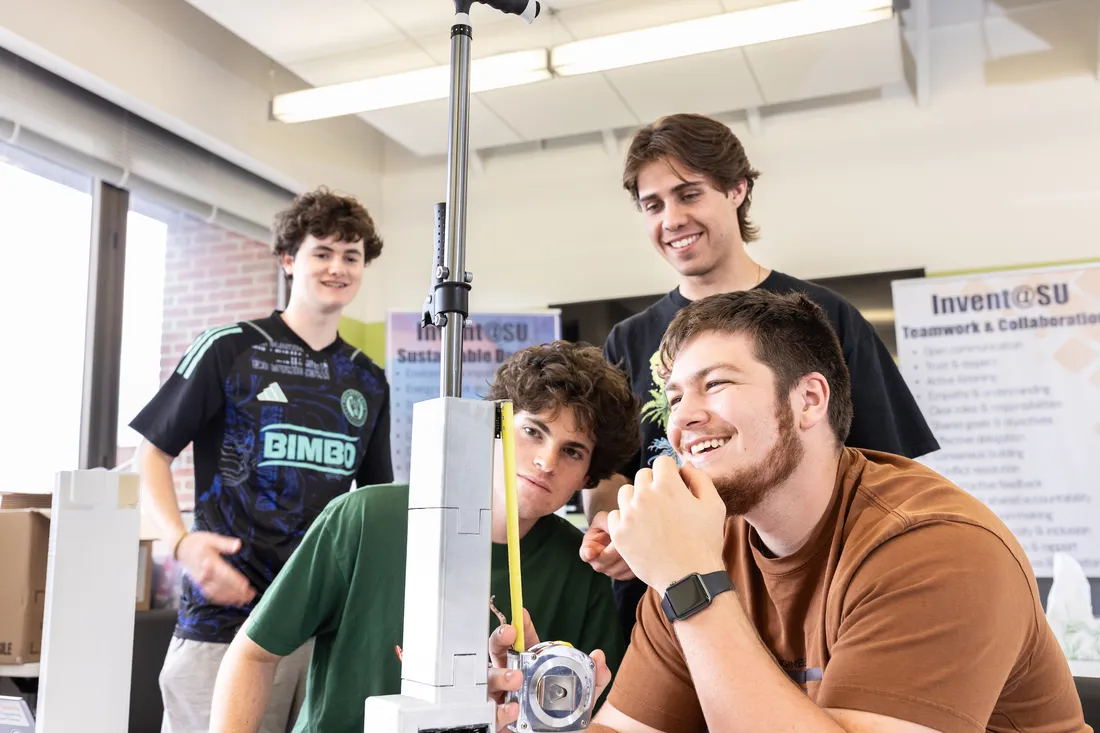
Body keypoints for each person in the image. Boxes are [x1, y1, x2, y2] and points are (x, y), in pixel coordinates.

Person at [576, 289, 1090, 733]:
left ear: (809, 400)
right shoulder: (700, 543)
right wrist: (544, 711)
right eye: (675, 396)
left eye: (716, 384)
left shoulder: (938, 544)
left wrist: (688, 580)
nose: (683, 417)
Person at [581, 112, 940, 637]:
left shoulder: (821, 317)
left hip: (805, 598)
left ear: (737, 190)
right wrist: (612, 528)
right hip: (667, 603)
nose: (672, 218)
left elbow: (889, 466)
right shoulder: (629, 340)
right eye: (652, 205)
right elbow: (611, 475)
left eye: (689, 194)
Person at [207, 341, 636, 733]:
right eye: (533, 431)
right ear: (496, 426)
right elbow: (254, 655)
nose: (545, 461)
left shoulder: (581, 569)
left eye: (572, 450)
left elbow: (602, 713)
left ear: (588, 474)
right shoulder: (364, 518)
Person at [130, 187, 393, 733]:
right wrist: (181, 544)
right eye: (322, 252)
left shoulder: (368, 381)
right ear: (289, 259)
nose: (337, 267)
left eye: (352, 256)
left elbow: (371, 506)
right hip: (220, 625)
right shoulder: (229, 348)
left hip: (314, 628)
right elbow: (149, 454)